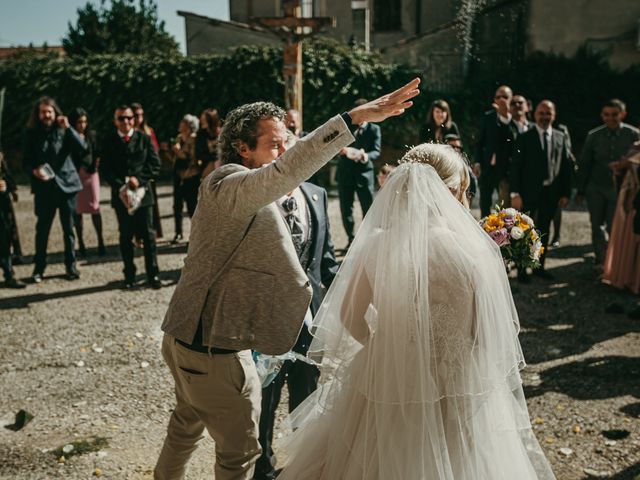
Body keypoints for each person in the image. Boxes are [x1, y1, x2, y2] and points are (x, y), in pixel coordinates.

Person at [153, 78, 420, 480]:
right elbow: (285, 171)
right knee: (240, 455)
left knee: (184, 426)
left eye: (289, 140)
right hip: (213, 348)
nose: (287, 151)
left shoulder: (252, 189)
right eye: (276, 144)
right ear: (242, 148)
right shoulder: (228, 184)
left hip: (194, 340)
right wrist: (356, 117)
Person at [277, 143, 555, 480]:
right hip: (458, 378)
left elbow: (350, 316)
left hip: (388, 372)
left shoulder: (376, 243)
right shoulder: (474, 250)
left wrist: (384, 345)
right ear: (454, 191)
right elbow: (489, 330)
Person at [253, 132, 339, 480]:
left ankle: (302, 467)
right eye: (281, 150)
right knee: (265, 400)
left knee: (306, 400)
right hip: (267, 323)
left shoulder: (316, 196)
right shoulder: (256, 198)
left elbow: (327, 261)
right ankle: (262, 467)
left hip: (310, 322)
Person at [24, 96, 87, 283]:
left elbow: (82, 148)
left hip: (67, 186)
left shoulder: (63, 129)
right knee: (42, 230)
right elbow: (25, 162)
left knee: (68, 230)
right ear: (38, 114)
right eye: (43, 112)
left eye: (49, 111)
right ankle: (39, 268)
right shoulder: (30, 133)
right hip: (44, 189)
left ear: (55, 112)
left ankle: (71, 266)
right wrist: (34, 171)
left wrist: (68, 127)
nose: (46, 115)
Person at [101, 105, 162, 289]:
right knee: (125, 236)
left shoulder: (143, 139)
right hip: (121, 196)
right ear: (115, 121)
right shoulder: (109, 141)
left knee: (148, 236)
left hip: (143, 195)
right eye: (121, 118)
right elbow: (105, 169)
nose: (125, 121)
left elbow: (155, 164)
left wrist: (140, 179)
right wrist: (120, 185)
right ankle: (129, 275)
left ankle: (153, 275)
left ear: (133, 120)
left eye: (129, 118)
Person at [510, 100, 573, 279]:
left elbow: (565, 167)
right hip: (528, 192)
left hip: (551, 192)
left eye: (548, 113)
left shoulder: (561, 136)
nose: (544, 117)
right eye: (541, 113)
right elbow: (516, 168)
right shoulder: (524, 137)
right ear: (535, 114)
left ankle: (539, 266)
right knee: (524, 231)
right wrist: (515, 193)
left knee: (544, 230)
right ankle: (522, 269)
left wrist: (565, 193)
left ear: (554, 115)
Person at [577, 99, 640, 272]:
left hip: (620, 190)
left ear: (623, 114)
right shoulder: (594, 135)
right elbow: (585, 164)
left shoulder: (633, 134)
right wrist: (581, 190)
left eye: (614, 115)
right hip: (595, 187)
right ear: (602, 115)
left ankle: (615, 263)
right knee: (597, 225)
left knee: (615, 225)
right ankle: (600, 260)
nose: (610, 118)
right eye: (606, 115)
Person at [336, 98, 381, 249]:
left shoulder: (374, 129)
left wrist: (366, 156)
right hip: (345, 173)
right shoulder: (346, 128)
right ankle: (350, 239)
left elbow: (376, 151)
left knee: (368, 207)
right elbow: (334, 147)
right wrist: (341, 151)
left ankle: (368, 241)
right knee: (346, 207)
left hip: (365, 173)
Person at [474, 85, 519, 217]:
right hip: (487, 167)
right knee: (484, 203)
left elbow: (514, 141)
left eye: (505, 97)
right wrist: (477, 162)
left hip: (505, 169)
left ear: (511, 99)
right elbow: (480, 141)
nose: (501, 100)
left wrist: (505, 116)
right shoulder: (488, 117)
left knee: (504, 206)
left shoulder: (515, 119)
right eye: (498, 97)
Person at [603, 141, 640, 293]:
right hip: (630, 195)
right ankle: (627, 276)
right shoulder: (635, 146)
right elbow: (619, 169)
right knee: (629, 235)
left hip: (635, 196)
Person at [69, 108, 105, 257]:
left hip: (91, 175)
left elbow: (98, 152)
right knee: (78, 211)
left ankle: (101, 241)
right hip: (76, 175)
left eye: (84, 122)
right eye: (79, 122)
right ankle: (81, 243)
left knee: (95, 208)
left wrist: (95, 165)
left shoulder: (92, 135)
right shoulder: (70, 136)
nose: (82, 125)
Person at [132, 102, 163, 239]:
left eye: (141, 114)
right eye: (136, 115)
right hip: (134, 174)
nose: (139, 117)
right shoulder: (130, 133)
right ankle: (137, 235)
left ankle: (151, 233)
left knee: (150, 206)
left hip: (147, 174)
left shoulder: (148, 131)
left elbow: (155, 150)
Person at [171, 114, 200, 244]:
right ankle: (178, 233)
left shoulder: (194, 139)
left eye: (182, 122)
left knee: (191, 206)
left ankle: (194, 235)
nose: (180, 124)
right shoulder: (178, 138)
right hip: (178, 176)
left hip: (190, 176)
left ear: (188, 126)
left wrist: (178, 151)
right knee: (176, 206)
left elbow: (192, 159)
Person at [0, 152, 26, 288]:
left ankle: (9, 274)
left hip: (2, 208)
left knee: (5, 239)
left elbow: (6, 175)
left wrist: (9, 188)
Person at [445, 133, 478, 207]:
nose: (456, 149)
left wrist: (467, 199)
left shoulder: (464, 165)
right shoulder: (439, 164)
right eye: (452, 146)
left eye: (458, 147)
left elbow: (473, 183)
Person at [196, 108, 222, 179]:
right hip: (207, 166)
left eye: (205, 120)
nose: (202, 121)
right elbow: (198, 154)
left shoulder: (221, 133)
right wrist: (213, 159)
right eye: (202, 119)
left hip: (221, 165)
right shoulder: (201, 135)